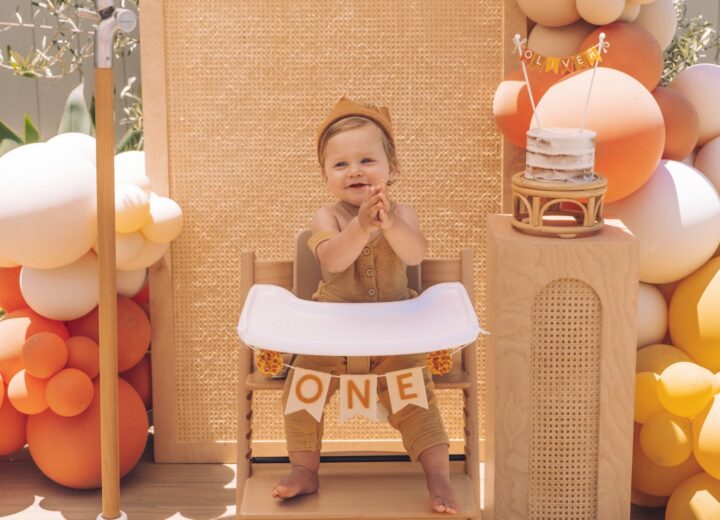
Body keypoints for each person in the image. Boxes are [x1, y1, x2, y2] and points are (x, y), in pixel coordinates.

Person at [271, 96, 458, 514]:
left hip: (394, 336)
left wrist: (389, 224)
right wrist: (359, 226)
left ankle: (438, 476)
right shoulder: (328, 218)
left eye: (366, 160)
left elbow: (413, 256)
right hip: (331, 335)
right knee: (301, 389)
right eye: (340, 164)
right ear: (325, 175)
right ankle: (305, 469)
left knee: (417, 400)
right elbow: (333, 260)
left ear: (392, 169)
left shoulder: (402, 213)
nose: (353, 170)